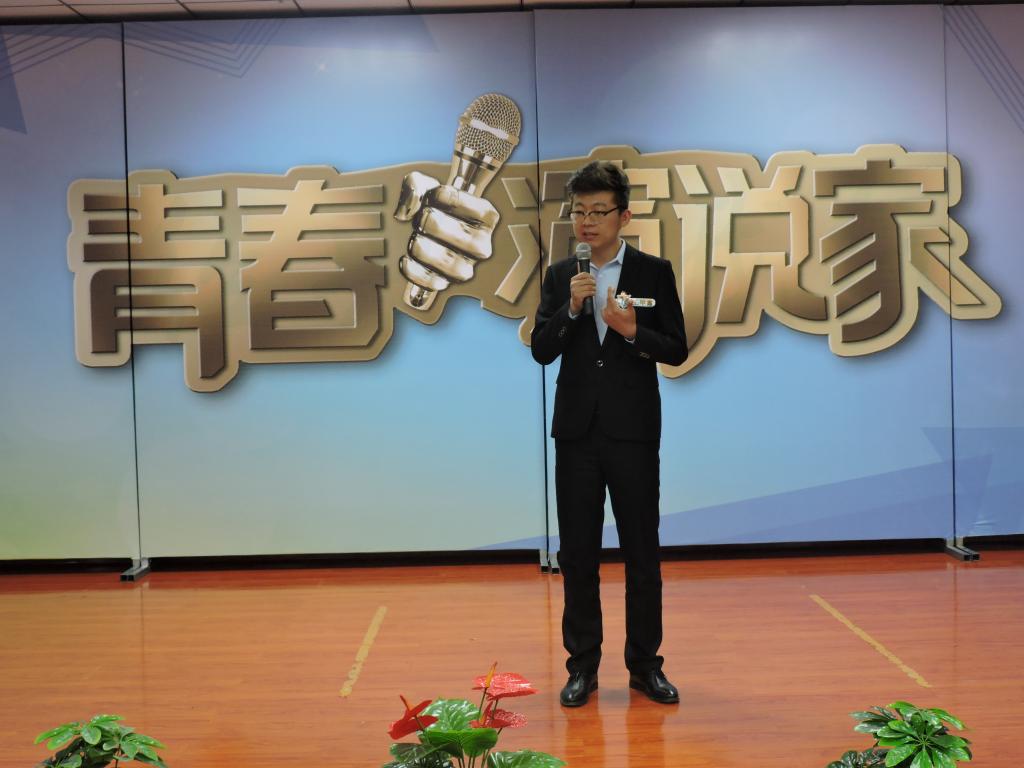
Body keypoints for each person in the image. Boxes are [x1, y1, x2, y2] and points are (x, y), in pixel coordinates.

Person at [530, 161, 687, 707]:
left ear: (624, 215)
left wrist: (632, 330)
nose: (588, 221)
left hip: (634, 434)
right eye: (579, 211)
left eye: (599, 211)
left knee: (642, 552)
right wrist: (572, 309)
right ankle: (582, 668)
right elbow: (541, 349)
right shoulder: (561, 276)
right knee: (578, 555)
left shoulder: (652, 272)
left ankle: (645, 667)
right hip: (576, 435)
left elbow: (676, 348)